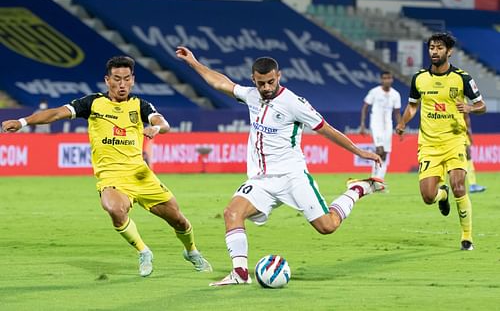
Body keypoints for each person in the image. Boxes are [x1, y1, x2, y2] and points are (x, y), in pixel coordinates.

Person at [176, 46, 385, 286]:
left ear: (279, 77)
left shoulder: (294, 103)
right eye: (261, 83)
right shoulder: (251, 96)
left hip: (292, 177)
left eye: (270, 82)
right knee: (232, 213)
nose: (266, 88)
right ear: (253, 79)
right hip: (261, 180)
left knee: (327, 226)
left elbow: (327, 130)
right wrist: (193, 62)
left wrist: (359, 151)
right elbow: (221, 83)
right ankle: (240, 273)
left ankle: (357, 189)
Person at [1, 56, 212, 276]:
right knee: (113, 208)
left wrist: (156, 129)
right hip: (111, 177)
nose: (121, 84)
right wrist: (23, 122)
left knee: (178, 220)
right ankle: (143, 251)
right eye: (116, 79)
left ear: (133, 80)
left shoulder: (140, 105)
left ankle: (192, 251)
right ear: (107, 80)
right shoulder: (92, 103)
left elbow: (163, 123)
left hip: (141, 175)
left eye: (126, 79)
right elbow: (55, 113)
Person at [396, 33, 486, 251]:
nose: (434, 52)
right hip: (428, 145)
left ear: (449, 51)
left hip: (455, 140)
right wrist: (402, 123)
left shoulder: (462, 78)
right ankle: (441, 194)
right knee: (428, 196)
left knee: (458, 185)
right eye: (431, 48)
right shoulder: (419, 78)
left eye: (439, 48)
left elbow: (482, 105)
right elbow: (413, 106)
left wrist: (471, 108)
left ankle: (467, 237)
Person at [360, 71, 402, 181]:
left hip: (388, 125)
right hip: (376, 123)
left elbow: (397, 112)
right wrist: (363, 124)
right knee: (379, 149)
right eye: (384, 78)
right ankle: (374, 176)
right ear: (381, 80)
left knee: (385, 152)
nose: (387, 80)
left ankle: (380, 179)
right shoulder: (374, 92)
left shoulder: (395, 94)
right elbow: (365, 107)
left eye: (389, 78)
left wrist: (400, 127)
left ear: (392, 79)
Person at [464, 113, 486, 193]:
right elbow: (466, 118)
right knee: (468, 157)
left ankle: (446, 186)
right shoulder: (461, 101)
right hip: (460, 135)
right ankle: (472, 185)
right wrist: (470, 135)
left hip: (451, 135)